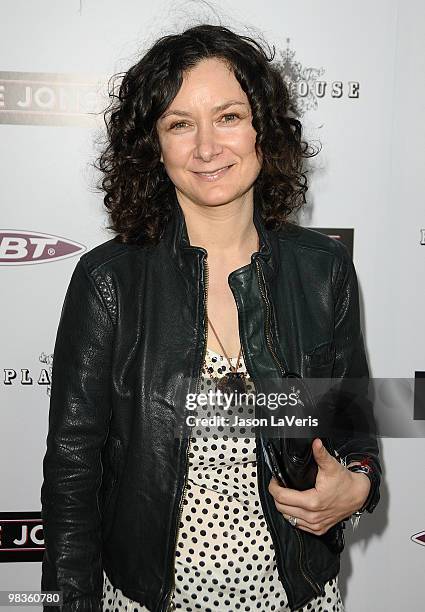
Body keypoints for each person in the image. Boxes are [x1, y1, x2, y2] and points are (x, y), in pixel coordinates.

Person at [40, 23, 381, 612]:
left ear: (262, 131)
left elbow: (354, 426)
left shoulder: (323, 270)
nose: (205, 148)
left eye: (227, 117)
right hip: (148, 598)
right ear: (154, 146)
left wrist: (358, 483)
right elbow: (73, 473)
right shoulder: (109, 281)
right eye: (178, 124)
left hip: (297, 594)